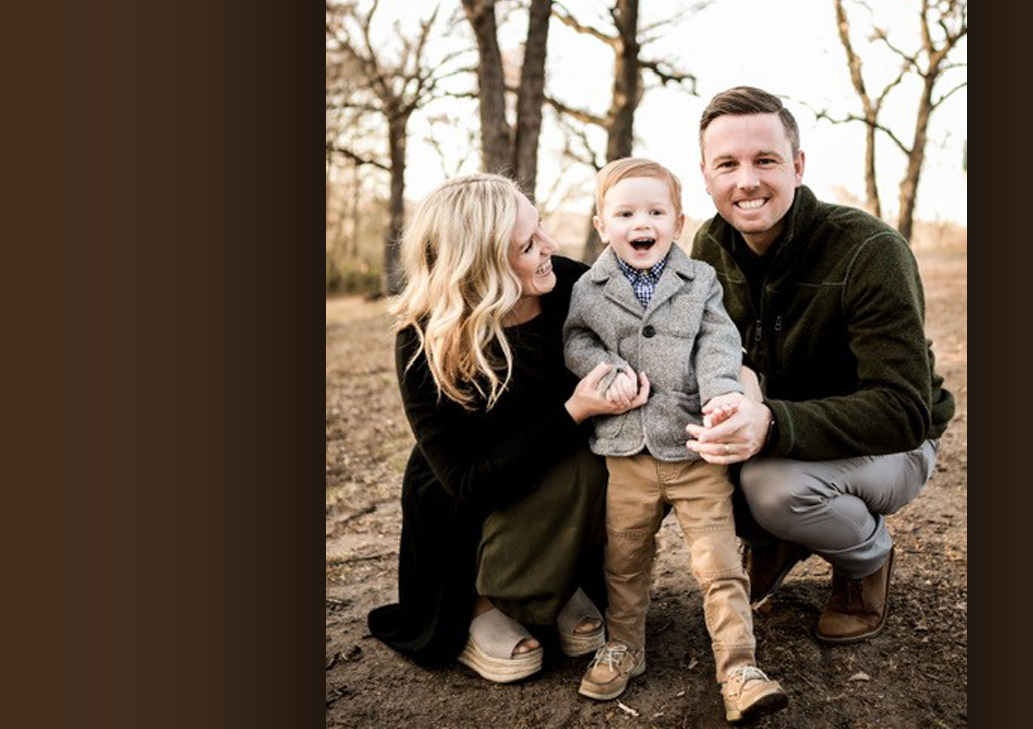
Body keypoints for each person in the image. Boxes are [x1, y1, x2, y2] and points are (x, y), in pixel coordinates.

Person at [686, 87, 957, 644]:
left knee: (772, 489)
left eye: (765, 160)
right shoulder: (710, 245)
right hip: (781, 431)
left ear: (797, 166)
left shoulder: (869, 249)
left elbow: (903, 409)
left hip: (891, 445)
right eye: (727, 165)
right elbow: (714, 350)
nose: (747, 181)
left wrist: (771, 424)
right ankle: (777, 539)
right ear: (706, 176)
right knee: (684, 458)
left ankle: (866, 559)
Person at [367, 173, 649, 684]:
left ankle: (557, 584)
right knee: (564, 452)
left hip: (563, 477)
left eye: (540, 228)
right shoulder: (425, 336)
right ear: (482, 264)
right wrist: (574, 411)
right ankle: (479, 601)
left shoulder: (568, 283)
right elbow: (466, 481)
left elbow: (652, 327)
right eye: (528, 244)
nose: (551, 246)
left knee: (601, 455)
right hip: (466, 498)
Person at [563, 158, 788, 723]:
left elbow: (719, 341)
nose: (642, 222)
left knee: (717, 560)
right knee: (625, 556)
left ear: (678, 220)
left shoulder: (700, 280)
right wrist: (605, 370)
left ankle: (739, 667)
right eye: (626, 213)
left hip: (693, 446)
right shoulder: (589, 289)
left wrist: (721, 393)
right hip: (626, 451)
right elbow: (576, 342)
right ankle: (624, 646)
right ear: (602, 225)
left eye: (656, 211)